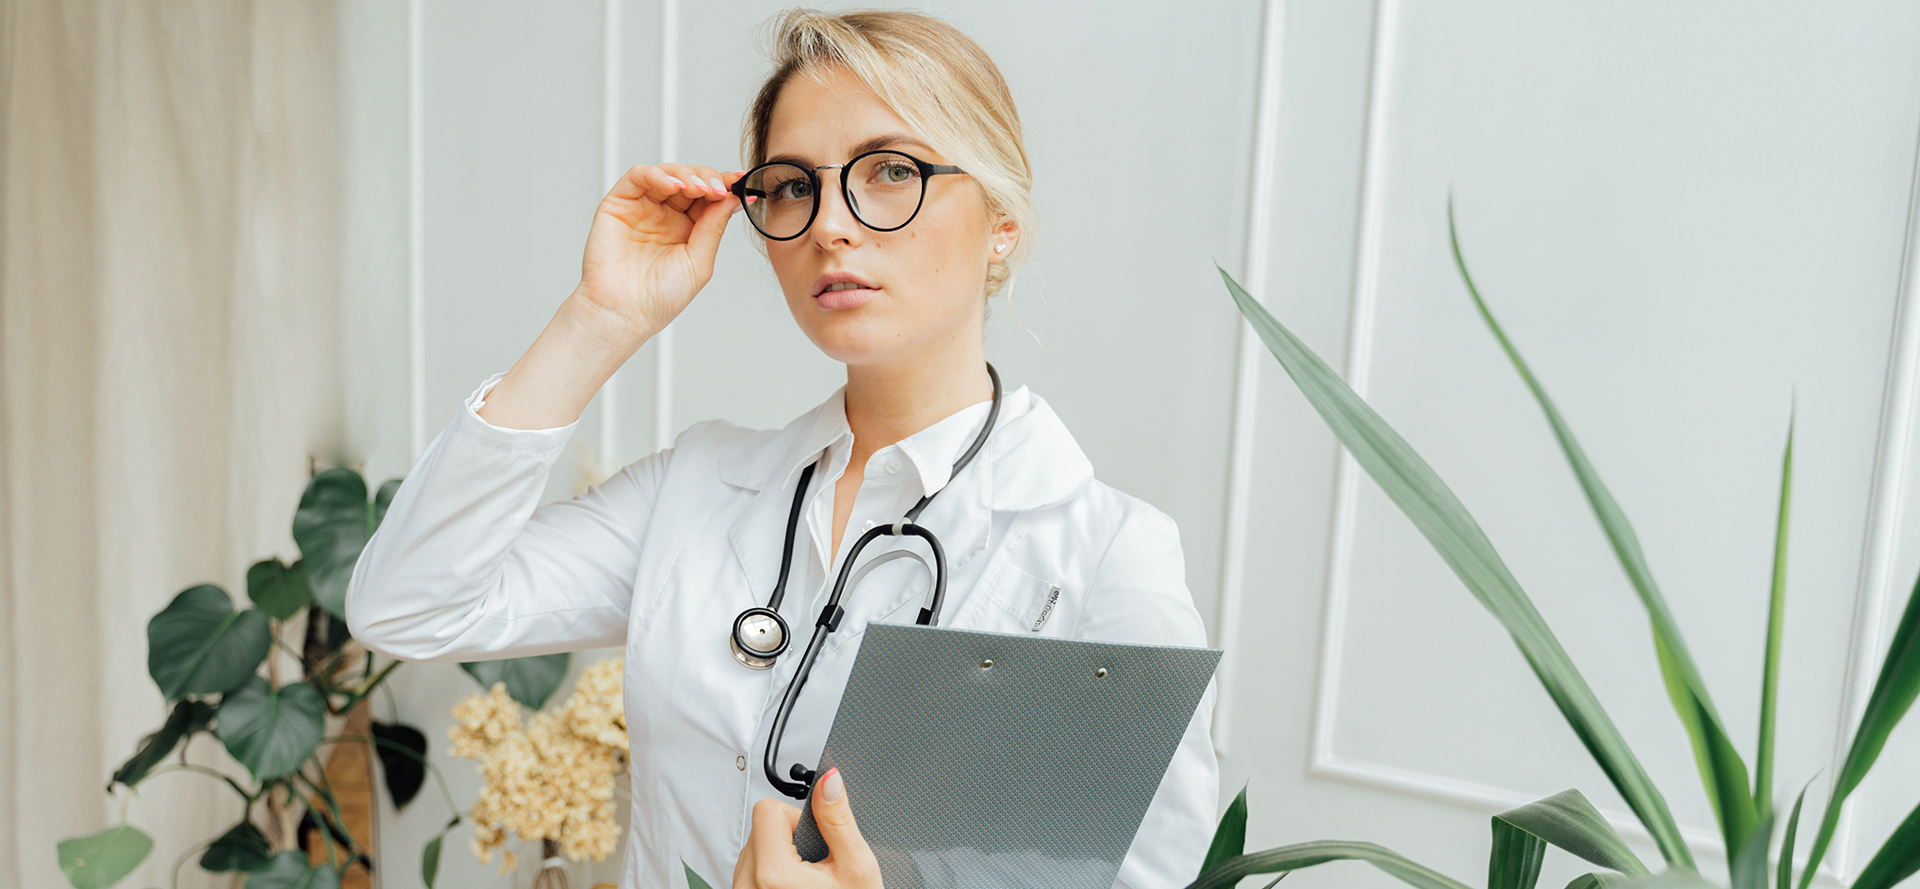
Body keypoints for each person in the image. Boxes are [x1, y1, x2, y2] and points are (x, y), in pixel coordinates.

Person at [345, 9, 1217, 889]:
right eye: (796, 185)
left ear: (1001, 219)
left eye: (889, 171)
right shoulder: (695, 488)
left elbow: (1152, 877)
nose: (831, 224)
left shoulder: (1107, 554)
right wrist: (600, 320)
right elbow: (407, 606)